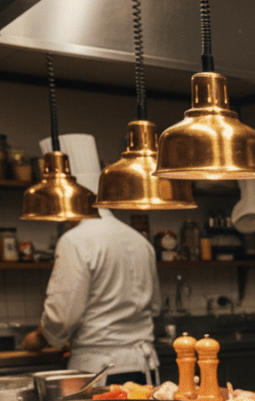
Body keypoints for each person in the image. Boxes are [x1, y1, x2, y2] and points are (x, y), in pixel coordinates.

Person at [23, 134, 161, 386]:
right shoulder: (139, 240)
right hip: (143, 369)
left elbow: (62, 316)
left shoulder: (75, 240)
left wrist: (41, 338)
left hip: (98, 371)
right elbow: (155, 306)